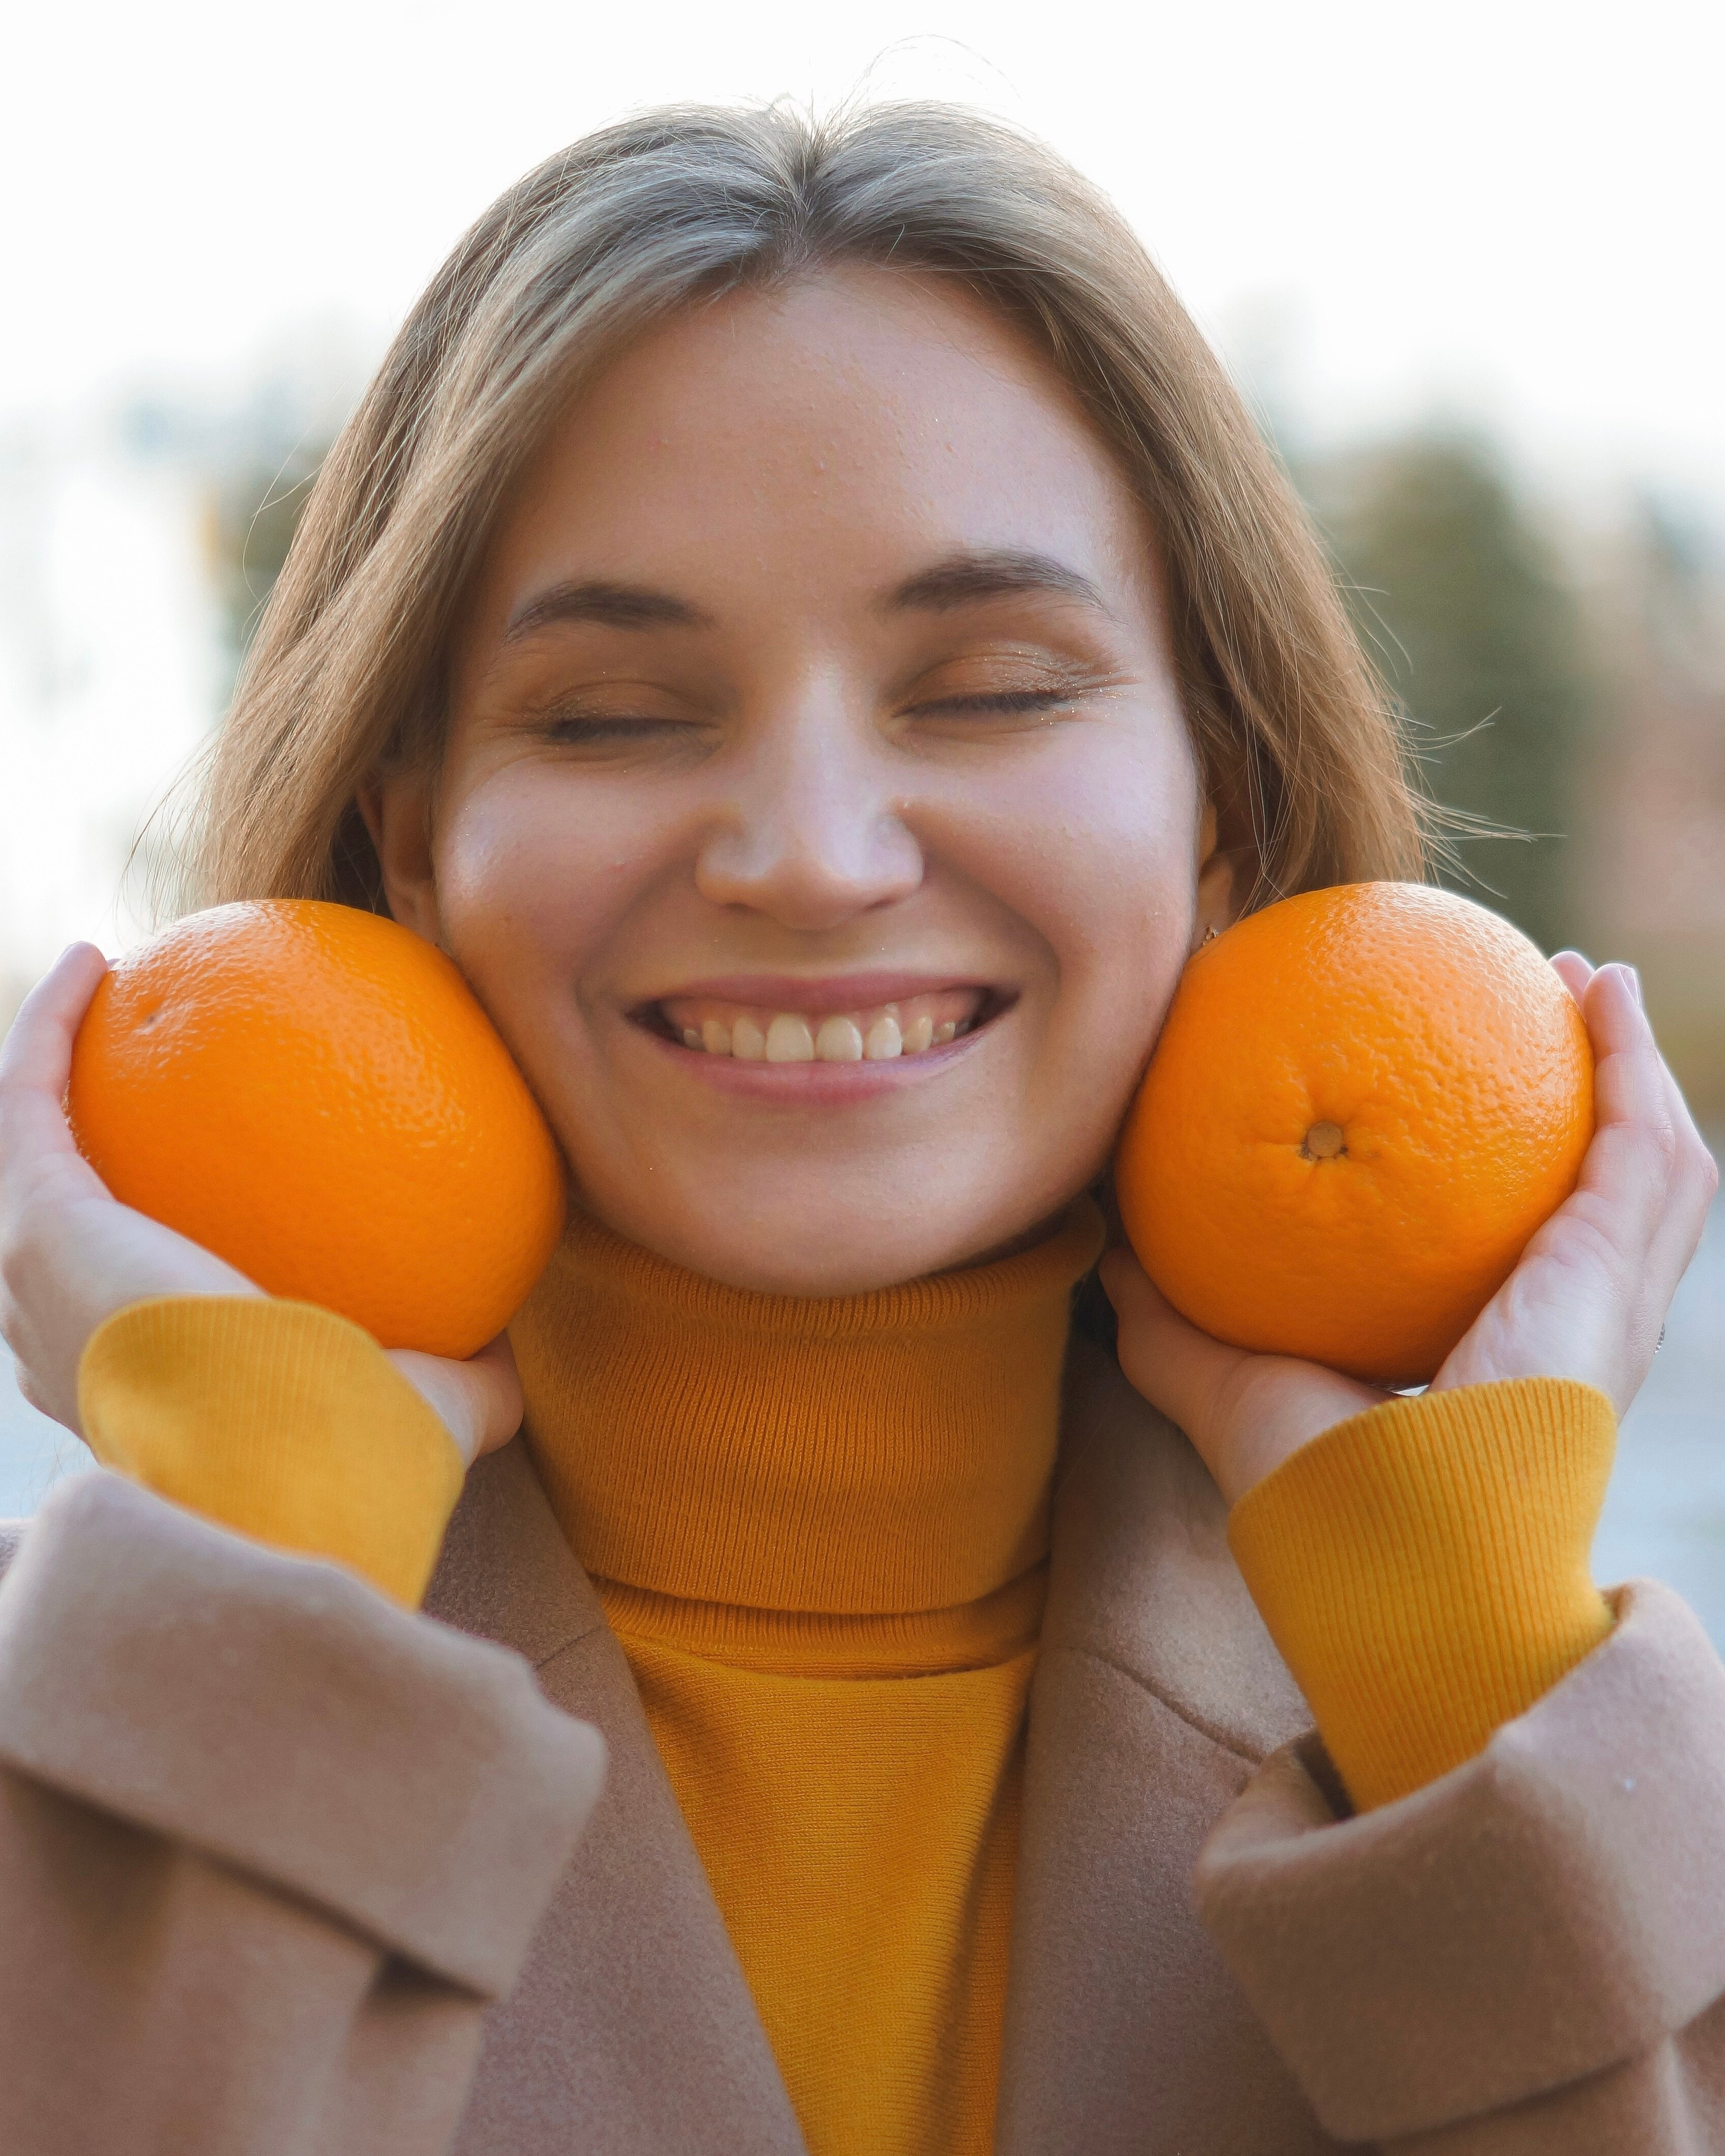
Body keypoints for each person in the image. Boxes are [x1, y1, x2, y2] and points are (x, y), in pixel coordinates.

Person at [0, 102, 1720, 2156]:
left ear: (1224, 817)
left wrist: (1469, 1664)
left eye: (990, 687)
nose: (810, 857)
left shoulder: (1491, 1711)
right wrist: (251, 1585)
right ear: (416, 843)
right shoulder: (84, 1714)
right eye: (617, 713)